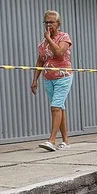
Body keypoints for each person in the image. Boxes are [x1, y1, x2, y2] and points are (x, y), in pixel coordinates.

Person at [31, 10, 73, 151]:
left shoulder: (64, 37)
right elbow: (40, 61)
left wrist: (49, 39)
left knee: (55, 107)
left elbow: (59, 53)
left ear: (58, 24)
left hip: (63, 76)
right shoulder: (42, 43)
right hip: (48, 79)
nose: (49, 25)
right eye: (46, 22)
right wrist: (35, 80)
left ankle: (52, 140)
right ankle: (66, 140)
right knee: (59, 107)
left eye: (52, 22)